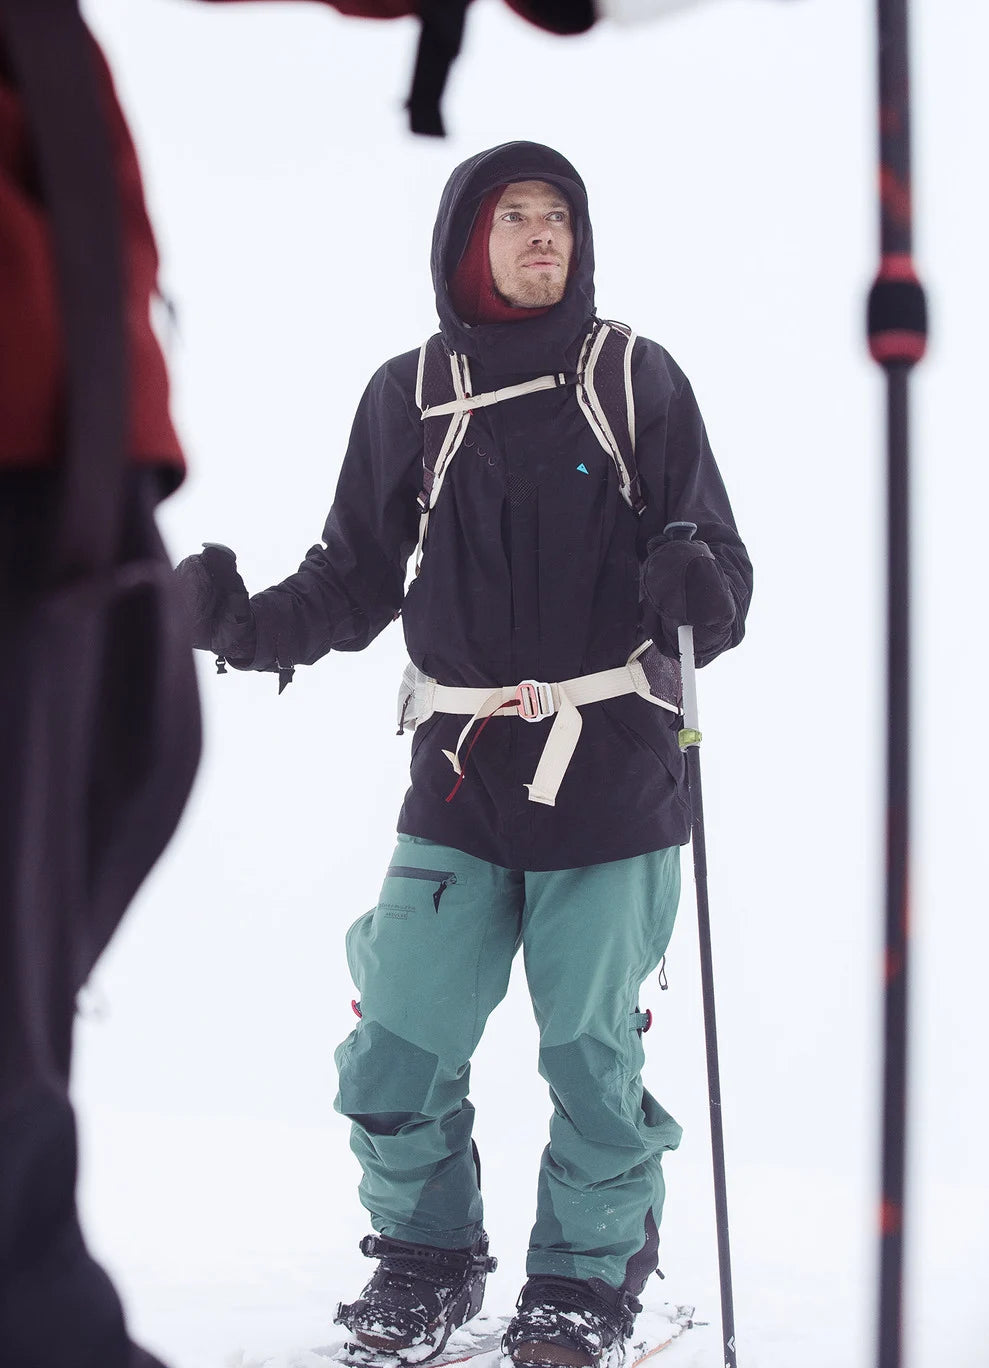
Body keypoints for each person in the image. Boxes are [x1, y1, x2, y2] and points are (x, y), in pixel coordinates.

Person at [176, 140, 752, 1368]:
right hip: (458, 772)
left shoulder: (635, 377)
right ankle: (427, 1259)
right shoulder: (411, 393)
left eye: (559, 216)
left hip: (612, 769)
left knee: (590, 1054)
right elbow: (351, 579)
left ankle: (583, 1284)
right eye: (515, 215)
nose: (544, 234)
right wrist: (242, 626)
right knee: (398, 1032)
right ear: (464, 242)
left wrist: (696, 580)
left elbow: (720, 579)